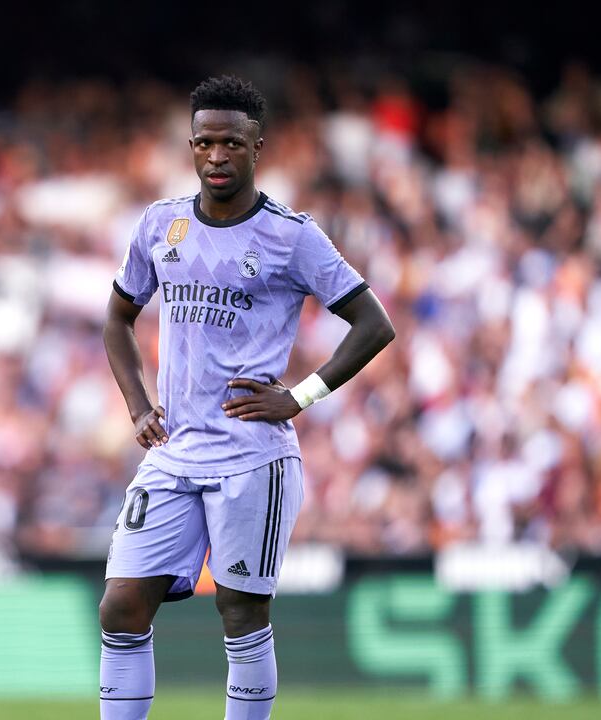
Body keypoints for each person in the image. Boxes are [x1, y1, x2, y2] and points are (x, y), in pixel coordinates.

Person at [99, 76, 395, 719]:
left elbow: (374, 324)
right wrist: (138, 405)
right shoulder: (161, 224)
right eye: (204, 142)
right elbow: (117, 319)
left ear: (258, 147)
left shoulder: (292, 236)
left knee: (240, 612)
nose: (216, 155)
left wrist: (300, 396)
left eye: (231, 143)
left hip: (251, 456)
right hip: (175, 452)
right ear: (190, 146)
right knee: (121, 606)